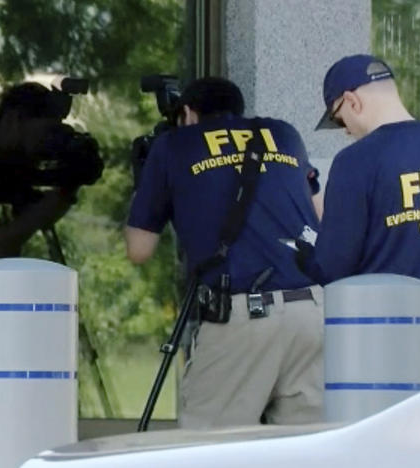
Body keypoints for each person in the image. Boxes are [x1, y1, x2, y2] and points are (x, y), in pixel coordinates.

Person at [125, 77, 324, 428]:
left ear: (187, 113)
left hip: (244, 316)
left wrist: (146, 185)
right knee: (305, 450)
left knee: (209, 449)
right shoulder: (283, 134)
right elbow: (318, 214)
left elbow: (139, 249)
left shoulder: (174, 146)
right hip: (311, 312)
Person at [298, 54, 420, 380]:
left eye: (339, 120)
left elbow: (334, 266)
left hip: (390, 352)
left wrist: (302, 253)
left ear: (351, 101)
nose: (345, 132)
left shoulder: (355, 162)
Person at [0, 81, 102, 263]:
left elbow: (33, 217)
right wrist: (60, 198)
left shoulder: (2, 166)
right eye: (44, 134)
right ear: (13, 120)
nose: (44, 148)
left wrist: (67, 187)